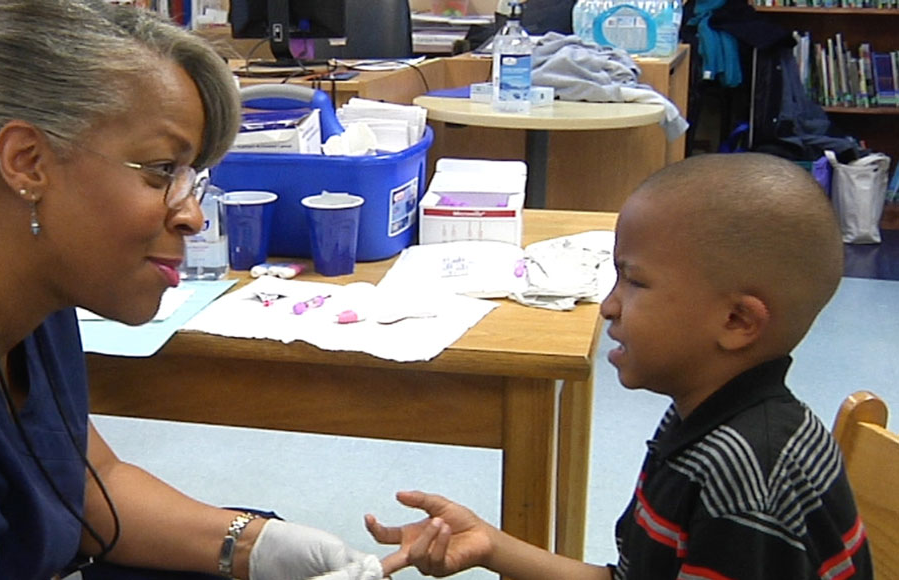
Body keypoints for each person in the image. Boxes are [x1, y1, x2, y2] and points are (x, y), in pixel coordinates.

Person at [0, 1, 393, 579]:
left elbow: (90, 484)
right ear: (27, 162)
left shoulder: (24, 271)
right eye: (161, 169)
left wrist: (255, 545)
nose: (192, 215)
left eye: (192, 177)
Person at [367, 153, 874, 579]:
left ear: (737, 320)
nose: (608, 306)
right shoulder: (707, 419)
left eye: (635, 282)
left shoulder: (745, 479)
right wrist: (490, 545)